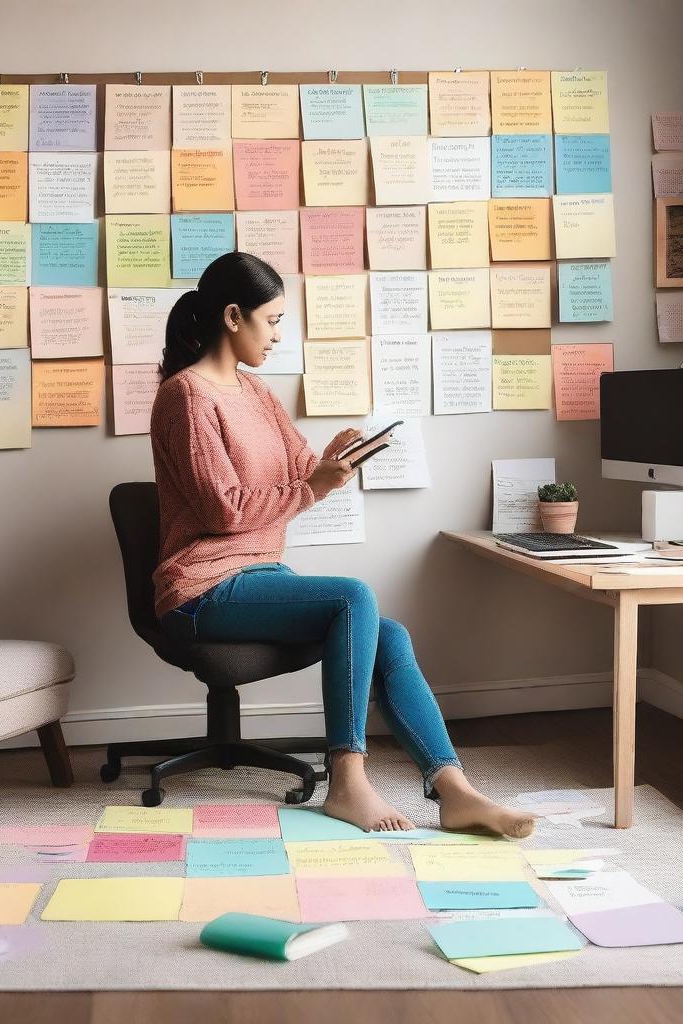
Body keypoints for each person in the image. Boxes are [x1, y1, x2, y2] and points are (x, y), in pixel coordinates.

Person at [150, 251, 534, 838]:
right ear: (234, 317)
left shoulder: (254, 393)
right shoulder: (186, 396)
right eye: (272, 320)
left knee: (388, 632)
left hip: (259, 576)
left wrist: (333, 463)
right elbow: (221, 509)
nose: (279, 334)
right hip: (200, 589)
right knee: (354, 596)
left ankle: (454, 790)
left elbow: (303, 471)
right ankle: (347, 780)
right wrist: (310, 485)